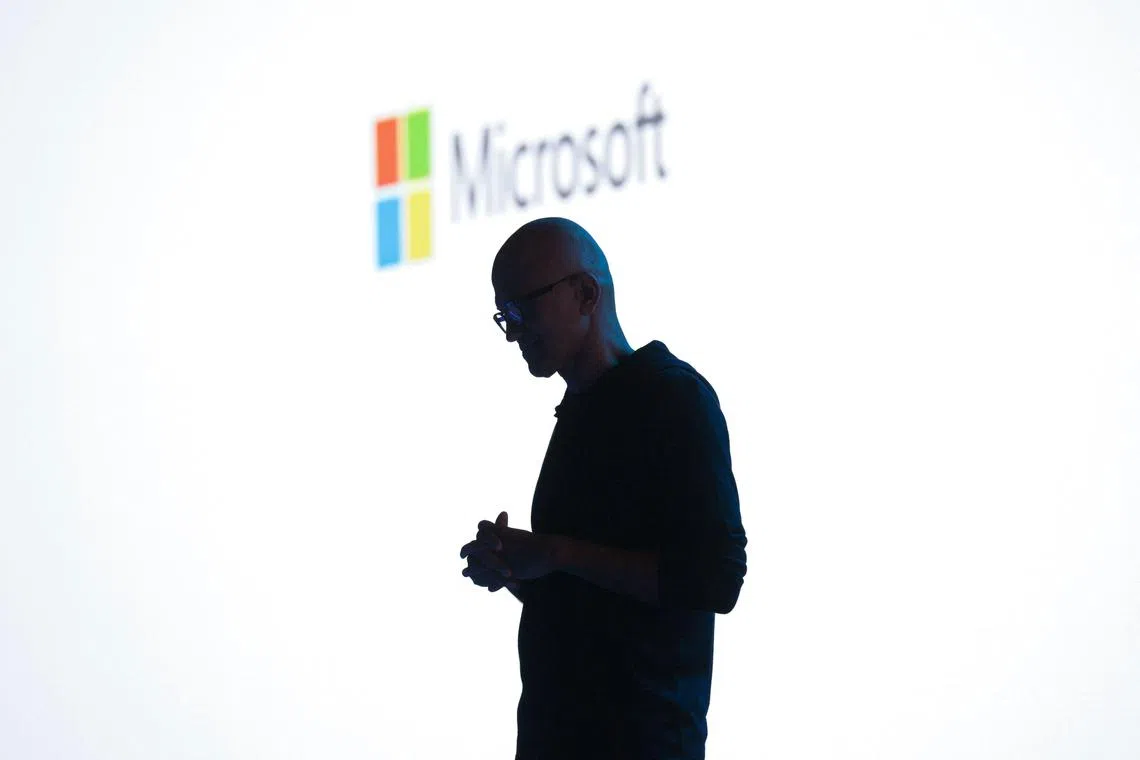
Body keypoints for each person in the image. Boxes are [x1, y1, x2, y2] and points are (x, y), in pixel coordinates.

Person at [459, 217, 748, 760]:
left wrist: (555, 552)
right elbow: (599, 609)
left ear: (586, 293)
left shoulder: (673, 399)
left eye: (523, 310)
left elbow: (715, 580)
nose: (514, 332)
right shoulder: (580, 413)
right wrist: (521, 569)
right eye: (505, 316)